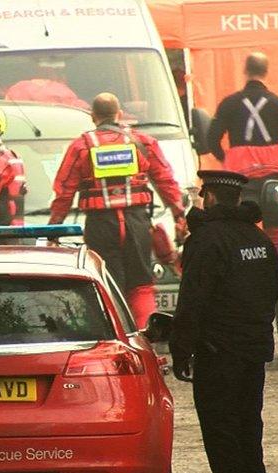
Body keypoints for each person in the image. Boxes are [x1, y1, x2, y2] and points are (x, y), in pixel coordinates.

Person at [170, 170, 278, 473]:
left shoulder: (206, 240)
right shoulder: (259, 239)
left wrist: (181, 348)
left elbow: (193, 300)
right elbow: (271, 293)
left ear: (211, 198)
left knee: (222, 431)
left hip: (219, 354)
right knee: (249, 427)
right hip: (252, 351)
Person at [48, 92, 186, 328]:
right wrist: (178, 215)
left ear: (93, 117)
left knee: (106, 283)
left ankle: (116, 338)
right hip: (137, 223)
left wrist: (53, 230)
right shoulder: (142, 143)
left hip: (101, 225)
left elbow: (64, 192)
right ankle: (144, 336)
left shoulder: (81, 146)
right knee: (141, 284)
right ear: (119, 114)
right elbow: (166, 181)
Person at [206, 52, 278, 246]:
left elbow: (212, 140)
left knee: (239, 228)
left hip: (239, 178)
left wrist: (227, 159)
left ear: (245, 70)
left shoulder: (229, 104)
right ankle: (276, 265)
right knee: (276, 230)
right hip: (273, 177)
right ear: (266, 71)